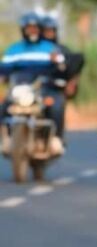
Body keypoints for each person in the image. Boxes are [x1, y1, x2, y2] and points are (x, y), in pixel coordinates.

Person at [0, 12, 66, 155]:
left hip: (43, 89)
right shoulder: (14, 49)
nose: (32, 31)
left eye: (35, 28)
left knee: (57, 105)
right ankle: (5, 139)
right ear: (23, 30)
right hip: (20, 89)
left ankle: (56, 139)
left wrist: (57, 62)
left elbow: (62, 68)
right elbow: (4, 69)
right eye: (29, 28)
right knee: (3, 106)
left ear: (40, 29)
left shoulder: (50, 48)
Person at [40, 15, 85, 99]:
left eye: (52, 30)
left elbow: (74, 63)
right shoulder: (35, 49)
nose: (50, 33)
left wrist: (72, 81)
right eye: (47, 31)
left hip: (56, 82)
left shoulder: (61, 49)